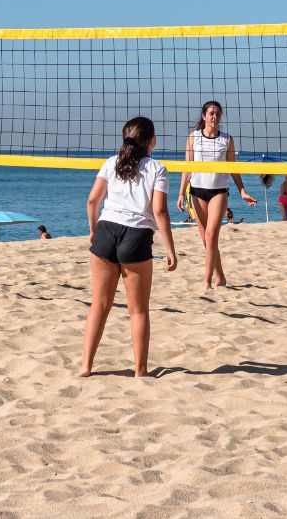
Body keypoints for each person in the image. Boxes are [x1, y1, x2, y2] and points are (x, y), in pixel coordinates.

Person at [80, 117, 178, 378]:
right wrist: (170, 249)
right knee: (138, 310)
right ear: (152, 141)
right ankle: (140, 370)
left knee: (99, 305)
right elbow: (159, 211)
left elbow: (92, 201)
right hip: (136, 236)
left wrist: (93, 230)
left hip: (106, 231)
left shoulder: (111, 163)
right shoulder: (158, 168)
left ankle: (85, 367)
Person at [176, 101, 257, 291]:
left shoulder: (227, 139)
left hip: (218, 192)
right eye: (211, 113)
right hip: (196, 191)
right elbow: (187, 168)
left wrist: (242, 191)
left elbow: (233, 168)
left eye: (218, 114)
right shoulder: (193, 137)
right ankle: (220, 277)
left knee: (212, 236)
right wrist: (181, 193)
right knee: (206, 240)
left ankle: (207, 282)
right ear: (204, 116)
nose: (215, 117)